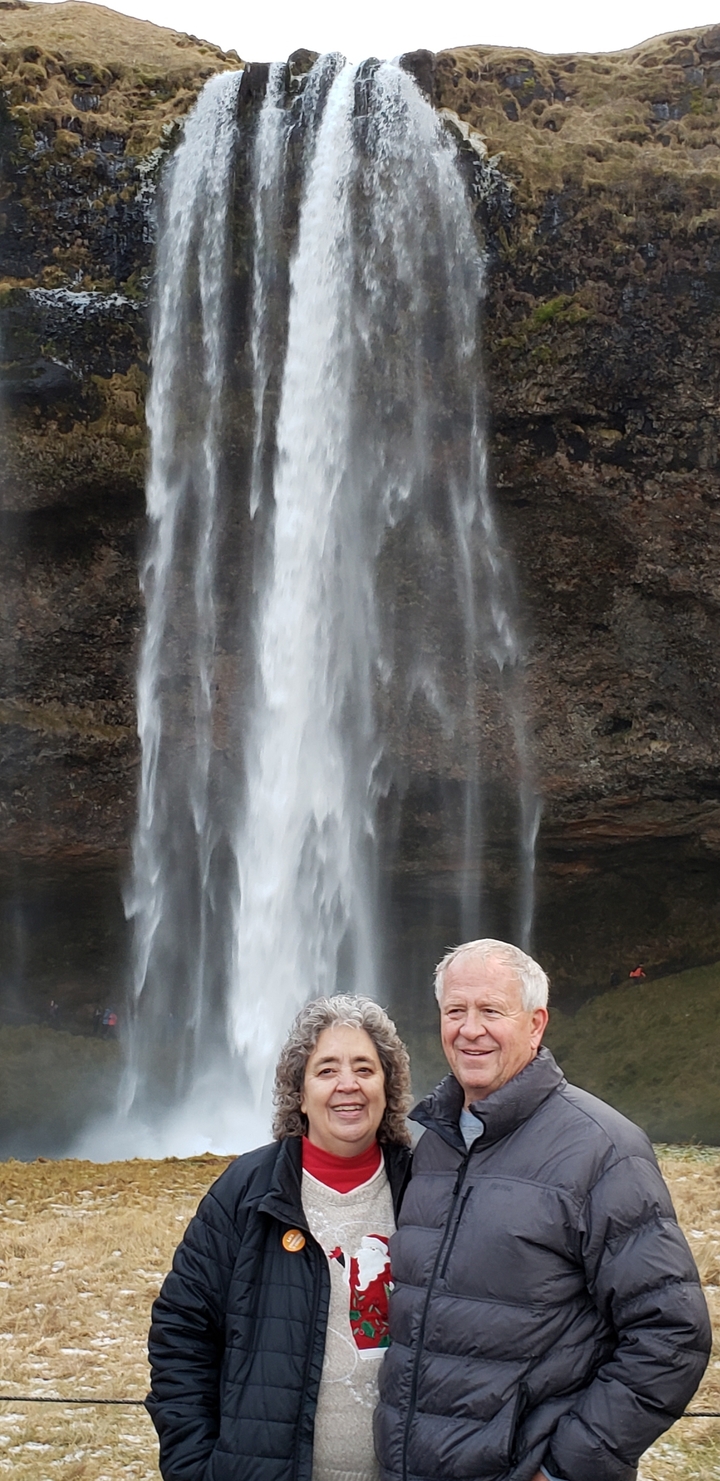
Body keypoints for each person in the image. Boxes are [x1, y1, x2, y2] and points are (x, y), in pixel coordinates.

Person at [375, 938, 711, 1481]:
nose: (470, 1028)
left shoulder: (603, 1149)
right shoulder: (424, 1143)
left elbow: (671, 1333)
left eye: (491, 1011)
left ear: (536, 1024)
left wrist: (564, 1468)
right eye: (455, 1011)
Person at [147, 995, 412, 1481]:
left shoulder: (426, 1191)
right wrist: (194, 1468)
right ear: (300, 1091)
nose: (347, 1085)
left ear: (388, 1086)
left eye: (364, 1069)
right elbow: (182, 1333)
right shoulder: (244, 1192)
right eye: (326, 1070)